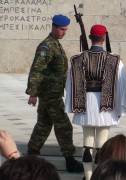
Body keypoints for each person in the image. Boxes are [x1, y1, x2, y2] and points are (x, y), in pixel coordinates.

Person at [65, 24, 126, 180]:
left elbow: (69, 84)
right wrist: (119, 107)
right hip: (105, 106)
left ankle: (87, 176)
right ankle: (100, 176)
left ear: (90, 38)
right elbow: (121, 85)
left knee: (87, 142)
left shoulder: (77, 59)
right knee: (102, 142)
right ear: (104, 38)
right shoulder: (115, 60)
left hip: (84, 104)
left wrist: (74, 103)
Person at [25, 14, 83, 172]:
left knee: (43, 125)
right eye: (62, 29)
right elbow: (37, 69)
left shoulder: (55, 44)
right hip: (50, 95)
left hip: (52, 93)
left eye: (66, 30)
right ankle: (70, 160)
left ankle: (31, 154)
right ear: (55, 27)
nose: (64, 32)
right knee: (64, 127)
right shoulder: (47, 46)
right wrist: (33, 93)